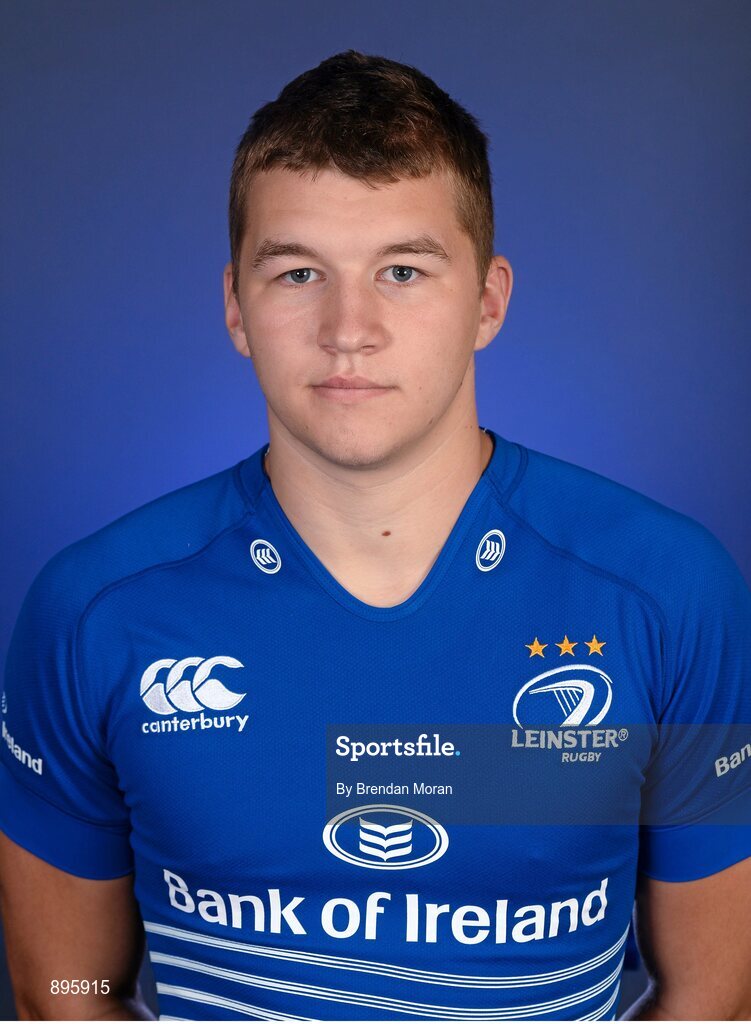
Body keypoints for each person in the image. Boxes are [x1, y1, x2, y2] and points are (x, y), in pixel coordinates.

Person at [0, 48, 749, 1023]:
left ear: (487, 300)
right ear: (236, 305)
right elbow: (62, 994)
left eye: (402, 269)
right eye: (298, 270)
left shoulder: (667, 591)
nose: (347, 327)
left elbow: (715, 991)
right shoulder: (93, 609)